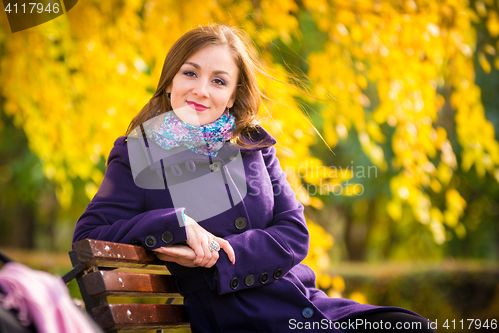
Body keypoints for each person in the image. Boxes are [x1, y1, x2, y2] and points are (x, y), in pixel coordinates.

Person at [73, 24, 436, 333]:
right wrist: (175, 223)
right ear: (169, 82)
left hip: (306, 304)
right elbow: (88, 235)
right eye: (190, 73)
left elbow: (294, 233)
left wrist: (218, 254)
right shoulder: (138, 153)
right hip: (237, 319)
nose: (201, 89)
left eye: (218, 81)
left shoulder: (252, 146)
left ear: (231, 97)